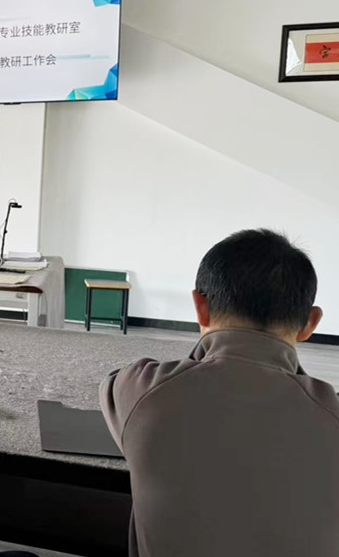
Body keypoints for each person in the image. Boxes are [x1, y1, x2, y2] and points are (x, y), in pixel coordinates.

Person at [100, 229, 338, 557]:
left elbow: (113, 383)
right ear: (311, 323)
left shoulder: (142, 391)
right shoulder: (331, 415)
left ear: (200, 306)